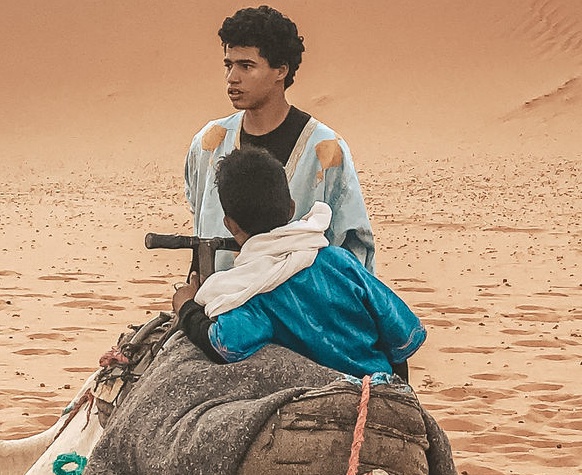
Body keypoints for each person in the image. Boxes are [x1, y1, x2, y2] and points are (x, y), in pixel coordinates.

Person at [173, 148, 425, 379]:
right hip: (382, 391)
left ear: (230, 225)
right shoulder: (339, 261)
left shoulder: (250, 290)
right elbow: (403, 335)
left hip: (319, 401)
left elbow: (226, 345)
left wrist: (187, 308)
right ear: (291, 209)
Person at [184, 5, 376, 272]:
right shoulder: (209, 143)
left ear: (281, 70)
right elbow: (200, 225)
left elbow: (353, 248)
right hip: (218, 305)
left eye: (246, 66)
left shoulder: (326, 152)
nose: (232, 78)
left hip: (300, 309)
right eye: (228, 65)